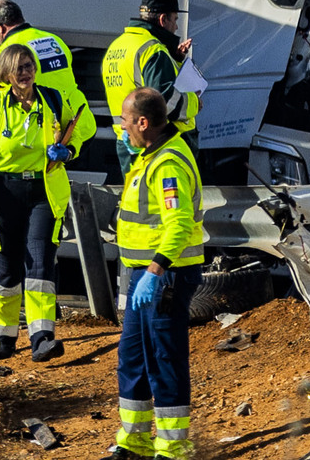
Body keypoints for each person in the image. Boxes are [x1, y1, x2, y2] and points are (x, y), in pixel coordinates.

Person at [0, 44, 94, 362]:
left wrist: (68, 152)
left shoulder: (52, 100)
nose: (26, 71)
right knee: (6, 269)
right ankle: (3, 338)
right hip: (2, 194)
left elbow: (79, 132)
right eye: (18, 67)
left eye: (29, 65)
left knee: (41, 263)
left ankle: (42, 337)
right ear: (6, 72)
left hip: (43, 191)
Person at [102, 87, 204, 460]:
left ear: (143, 122)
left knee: (164, 359)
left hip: (164, 277)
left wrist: (156, 270)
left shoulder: (167, 165)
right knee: (132, 358)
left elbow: (178, 223)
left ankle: (174, 447)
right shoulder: (150, 155)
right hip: (143, 276)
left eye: (126, 122)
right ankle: (134, 441)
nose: (123, 129)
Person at [101, 0, 200, 176]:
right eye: (175, 20)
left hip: (128, 143)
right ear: (163, 19)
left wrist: (175, 60)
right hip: (157, 144)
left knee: (136, 200)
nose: (176, 27)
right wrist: (194, 102)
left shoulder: (117, 47)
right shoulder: (153, 50)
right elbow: (165, 102)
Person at [0, 0, 89, 118]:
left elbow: (9, 100)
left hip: (48, 127)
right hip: (81, 120)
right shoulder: (54, 39)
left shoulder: (6, 50)